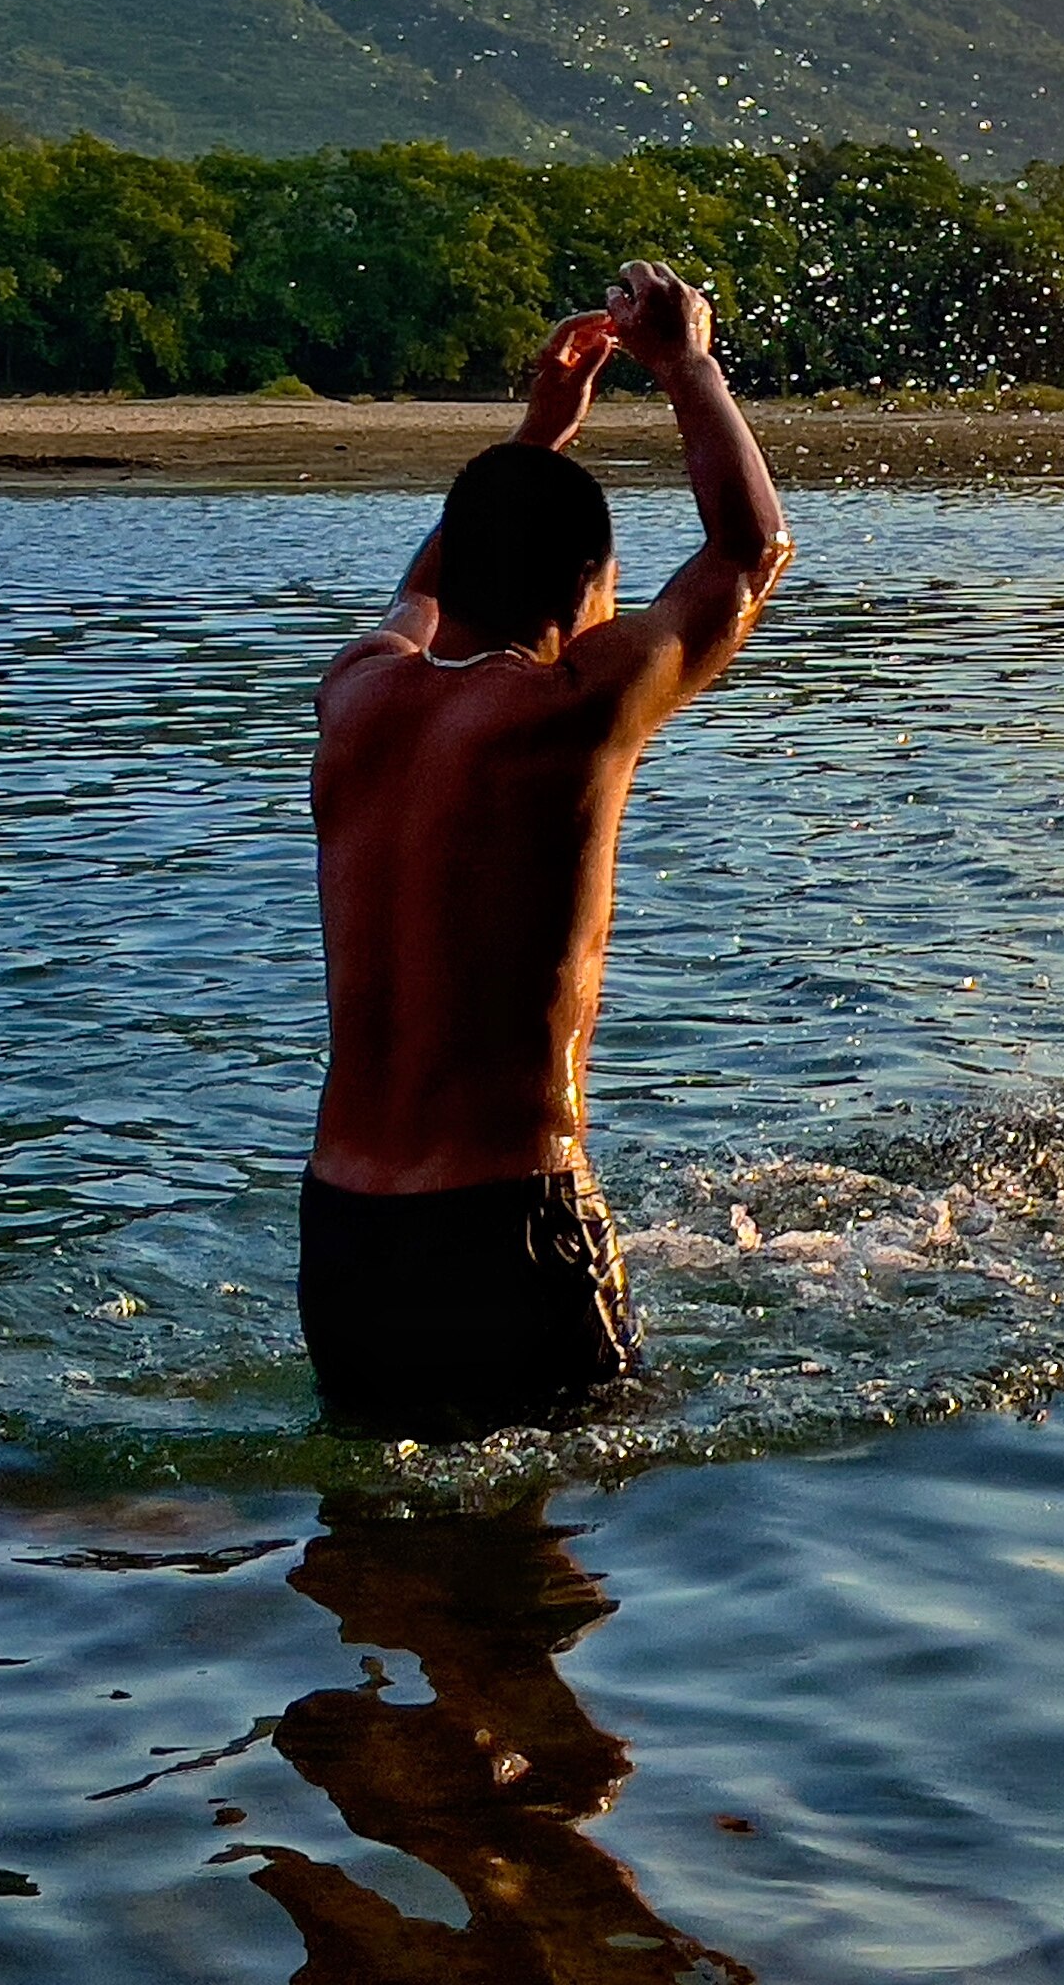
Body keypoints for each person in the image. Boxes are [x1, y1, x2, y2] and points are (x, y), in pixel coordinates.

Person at [301, 260, 791, 1436]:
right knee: (549, 1578)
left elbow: (432, 584)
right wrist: (688, 366)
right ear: (587, 591)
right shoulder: (574, 707)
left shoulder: (355, 697)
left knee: (374, 1545)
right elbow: (749, 551)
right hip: (506, 1218)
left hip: (343, 1235)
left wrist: (542, 432)